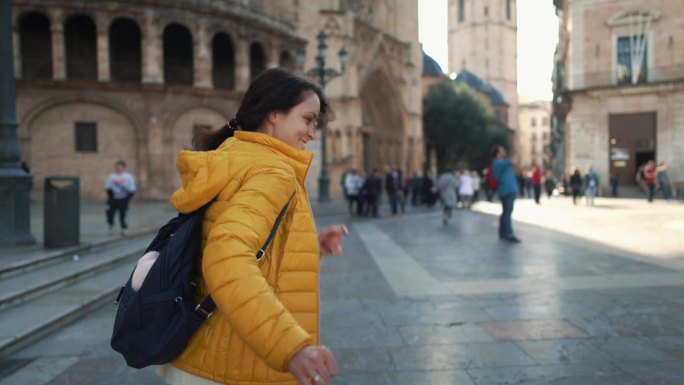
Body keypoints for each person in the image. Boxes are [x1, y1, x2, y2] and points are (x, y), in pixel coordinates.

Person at [157, 68, 347, 385]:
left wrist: (310, 248)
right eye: (307, 119)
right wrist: (290, 347)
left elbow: (237, 245)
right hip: (236, 368)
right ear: (274, 115)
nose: (313, 132)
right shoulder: (272, 171)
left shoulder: (237, 158)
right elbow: (225, 258)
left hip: (207, 357)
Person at [491, 146, 521, 243]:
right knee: (508, 212)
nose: (504, 151)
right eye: (502, 150)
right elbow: (513, 161)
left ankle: (503, 233)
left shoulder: (500, 163)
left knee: (505, 212)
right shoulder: (499, 163)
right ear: (498, 153)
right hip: (507, 190)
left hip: (506, 190)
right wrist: (516, 151)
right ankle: (509, 234)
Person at [105, 160, 136, 235]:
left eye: (120, 167)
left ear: (123, 167)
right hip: (113, 198)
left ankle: (124, 227)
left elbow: (132, 189)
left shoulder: (128, 177)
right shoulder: (112, 176)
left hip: (124, 198)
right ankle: (111, 224)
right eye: (117, 167)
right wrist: (110, 196)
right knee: (109, 212)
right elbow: (108, 187)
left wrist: (128, 197)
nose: (118, 169)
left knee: (123, 214)